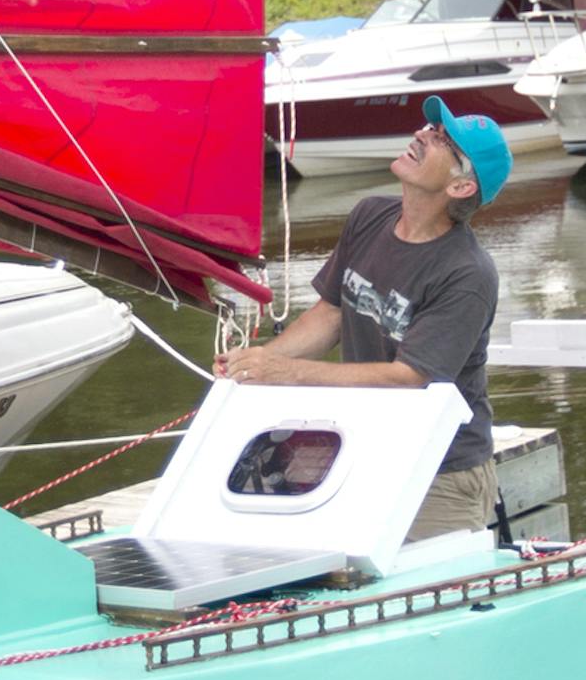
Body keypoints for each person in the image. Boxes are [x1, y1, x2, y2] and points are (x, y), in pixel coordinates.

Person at [216, 97, 508, 535]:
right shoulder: (370, 214)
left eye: (441, 139)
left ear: (461, 187)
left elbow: (410, 376)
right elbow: (330, 313)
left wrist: (288, 372)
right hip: (362, 448)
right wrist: (255, 365)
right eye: (428, 127)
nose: (421, 134)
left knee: (431, 596)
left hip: (440, 472)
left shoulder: (468, 273)